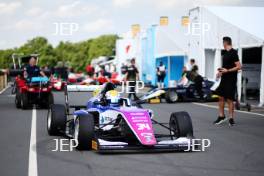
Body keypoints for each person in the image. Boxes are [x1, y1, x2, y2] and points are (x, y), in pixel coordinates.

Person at [214, 36, 241, 126]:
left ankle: (231, 118)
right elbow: (225, 66)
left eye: (223, 42)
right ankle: (221, 116)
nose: (222, 44)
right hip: (224, 79)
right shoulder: (225, 53)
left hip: (231, 79)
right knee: (220, 97)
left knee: (229, 99)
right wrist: (220, 73)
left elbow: (239, 66)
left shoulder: (234, 53)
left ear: (225, 43)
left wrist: (228, 71)